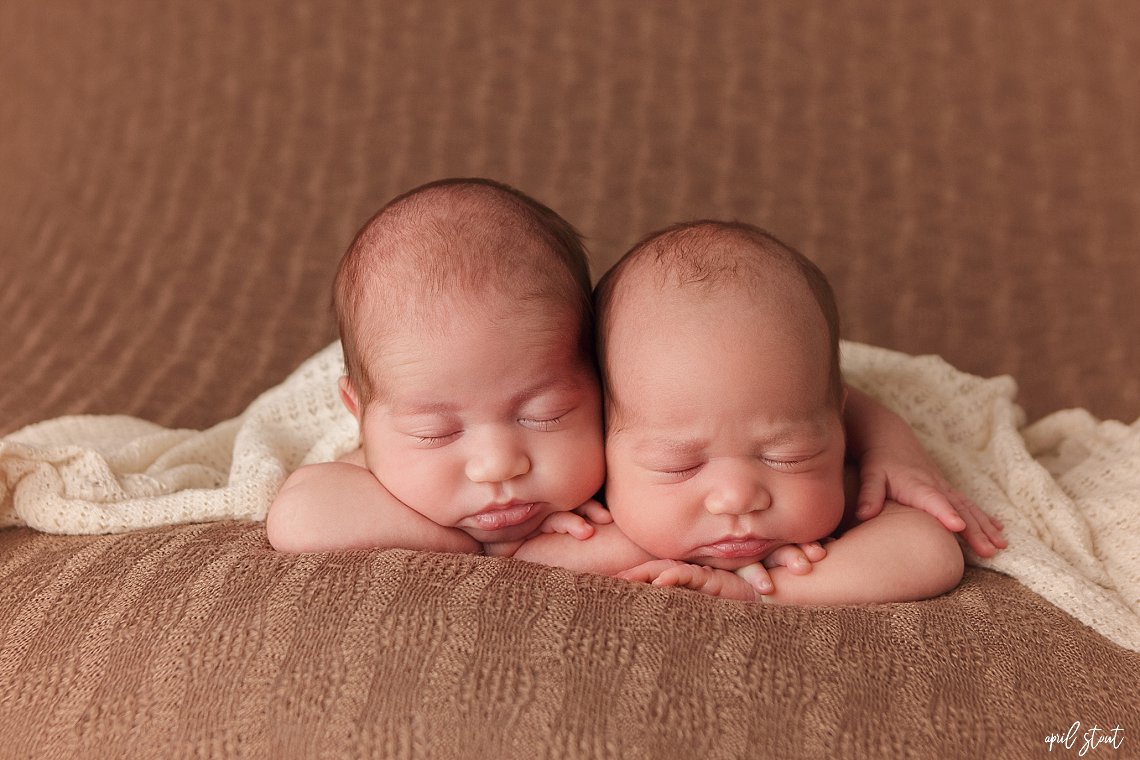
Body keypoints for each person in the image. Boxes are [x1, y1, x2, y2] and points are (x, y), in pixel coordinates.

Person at [268, 179, 1002, 586]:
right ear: (360, 415)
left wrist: (891, 450)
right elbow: (302, 516)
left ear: (599, 383)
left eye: (548, 412)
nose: (499, 466)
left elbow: (924, 542)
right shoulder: (397, 469)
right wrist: (480, 546)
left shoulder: (685, 438)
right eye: (435, 432)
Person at [517, 220, 1006, 603]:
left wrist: (894, 452)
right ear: (601, 436)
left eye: (786, 457)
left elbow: (931, 553)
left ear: (834, 428)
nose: (737, 498)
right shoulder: (585, 509)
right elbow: (520, 554)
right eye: (678, 466)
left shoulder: (838, 482)